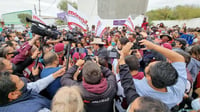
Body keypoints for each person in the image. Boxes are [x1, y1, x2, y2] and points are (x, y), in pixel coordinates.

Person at [119, 41, 187, 109]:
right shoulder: (178, 89)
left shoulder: (137, 88)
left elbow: (125, 79)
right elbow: (179, 58)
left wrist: (123, 55)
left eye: (148, 66)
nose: (148, 65)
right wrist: (153, 46)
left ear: (149, 77)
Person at [0, 68, 65, 112]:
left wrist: (55, 75)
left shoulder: (19, 92)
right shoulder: (35, 110)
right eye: (19, 81)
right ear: (12, 95)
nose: (23, 80)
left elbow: (36, 85)